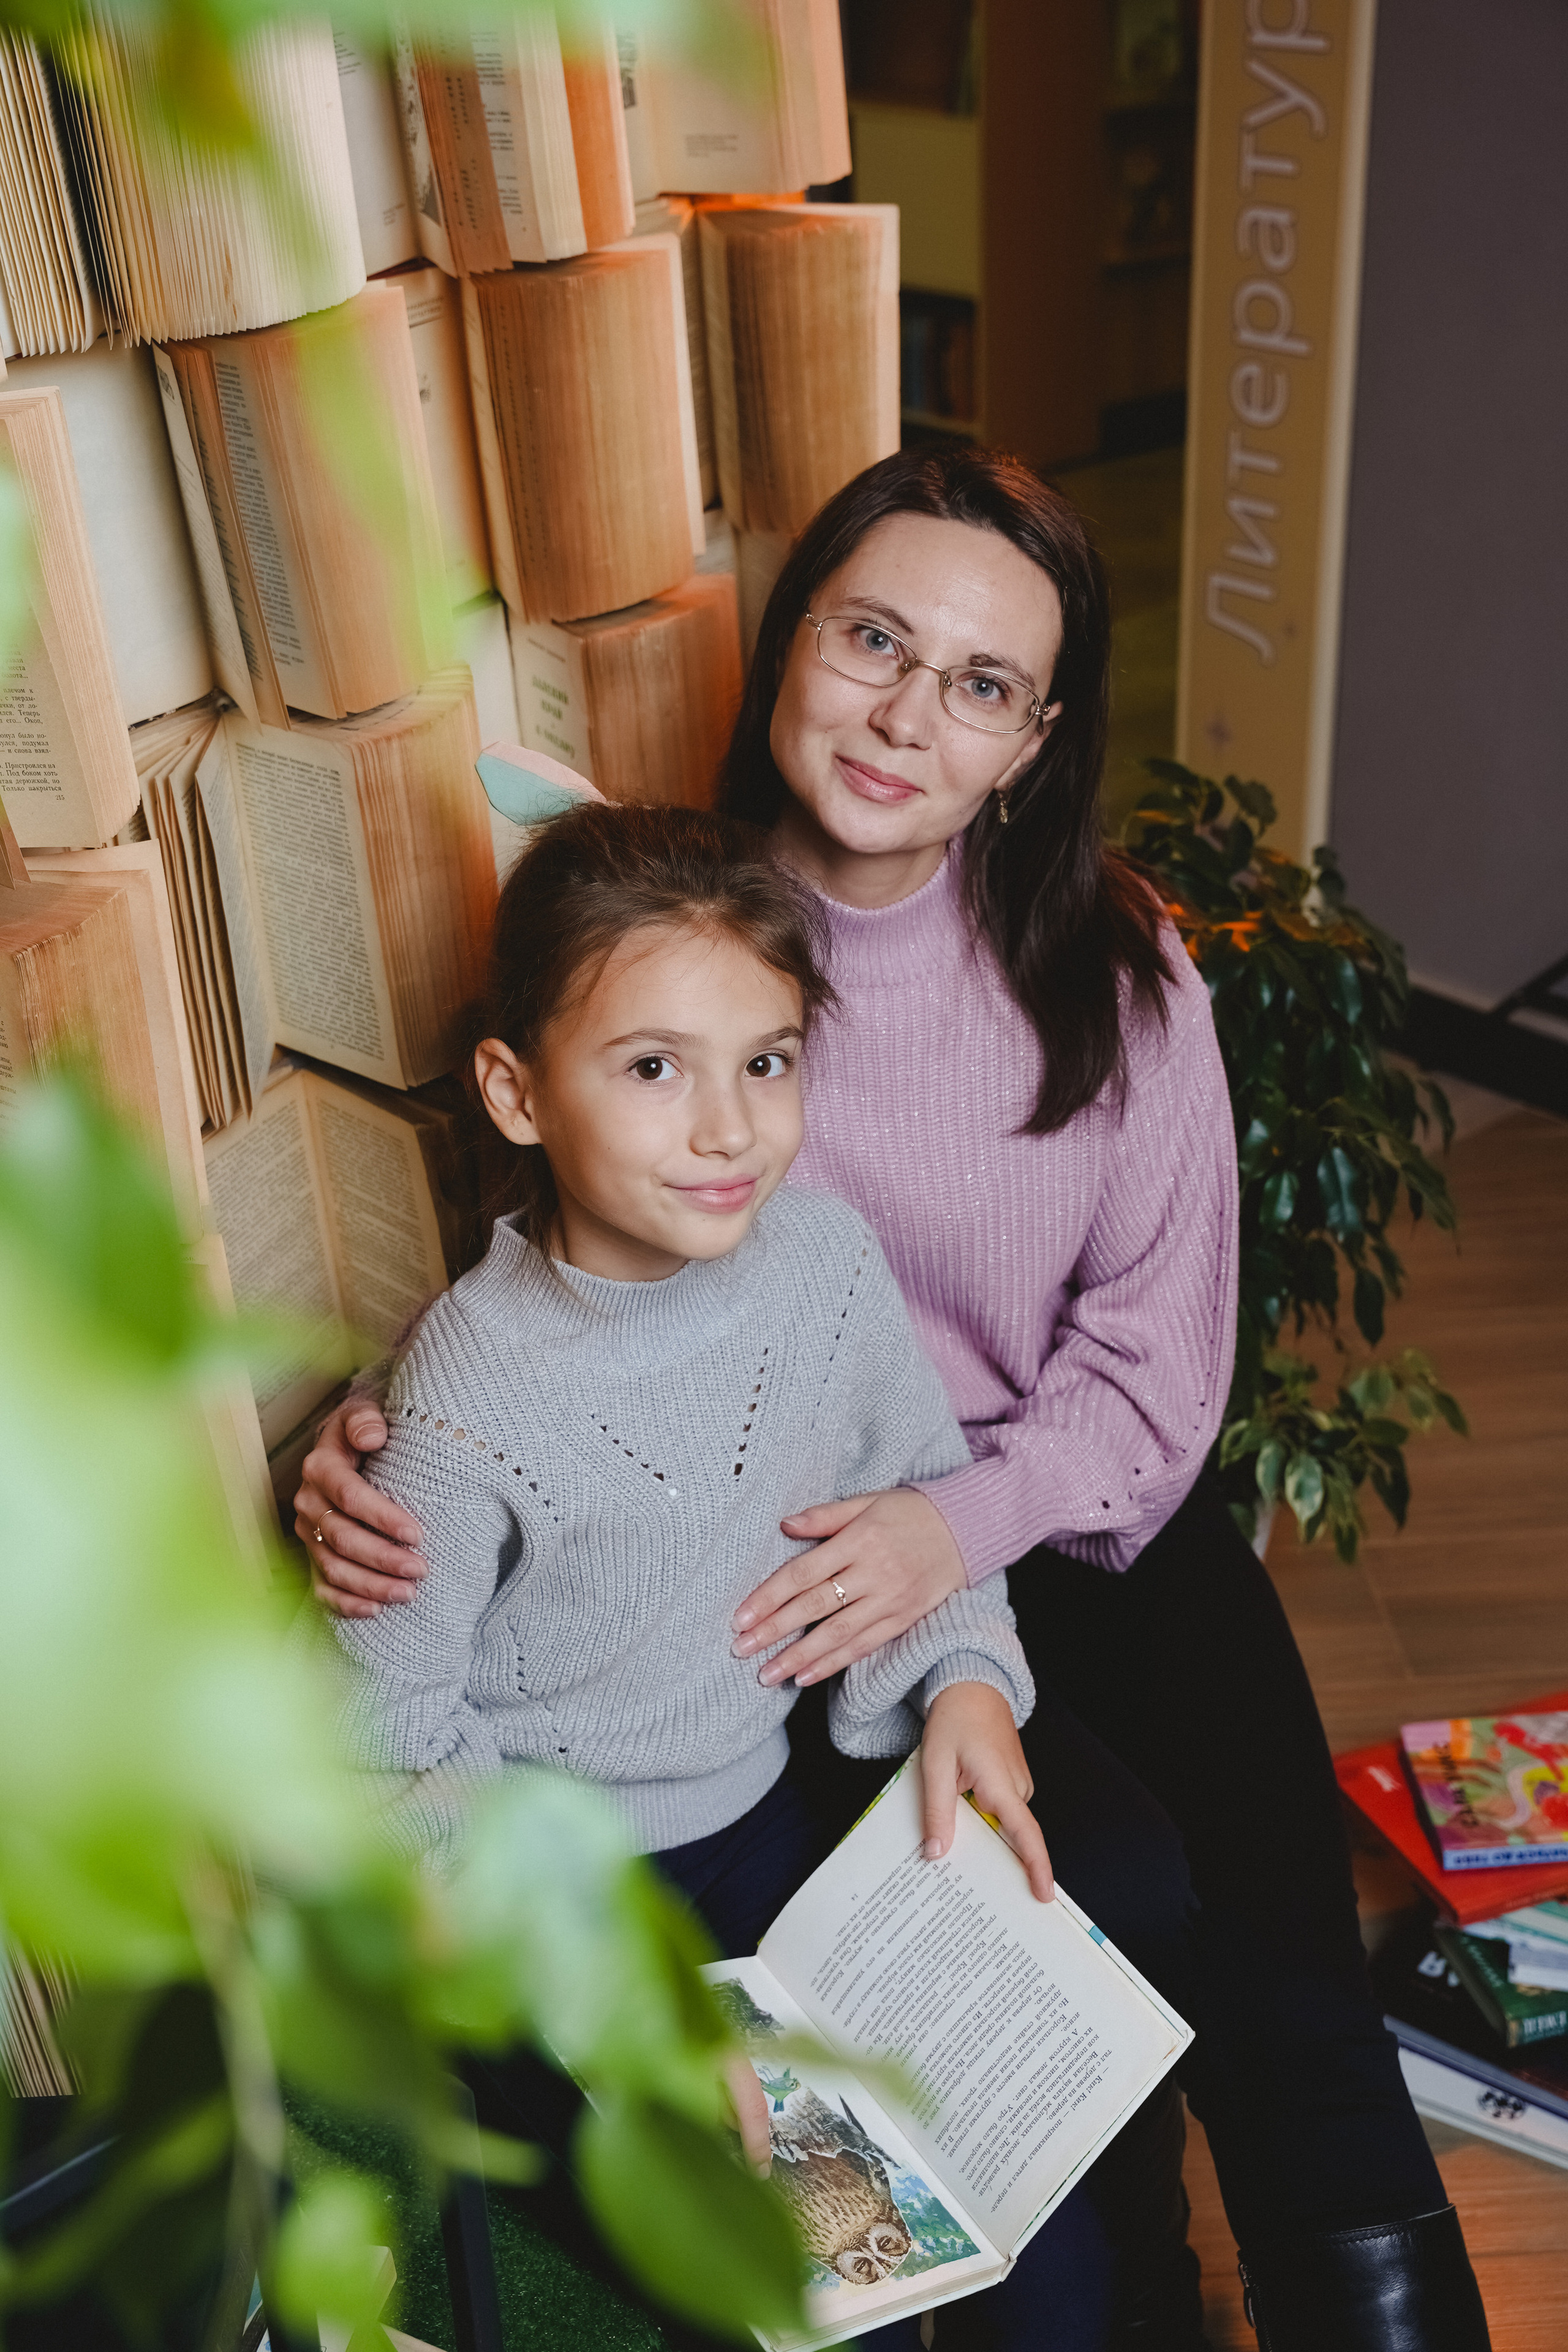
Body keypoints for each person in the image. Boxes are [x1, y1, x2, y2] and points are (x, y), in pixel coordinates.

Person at [297, 449, 1490, 2352]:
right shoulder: (675, 935)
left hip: (1065, 1511)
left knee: (1283, 1960)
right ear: (793, 643)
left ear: (1032, 741)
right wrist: (365, 1431)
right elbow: (543, 1278)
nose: (907, 715)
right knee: (1083, 1902)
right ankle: (1126, 2304)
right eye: (873, 640)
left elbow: (1155, 1380)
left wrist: (950, 1530)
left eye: (982, 683)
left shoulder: (1120, 972)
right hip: (771, 1554)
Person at [312, 798, 1199, 2352]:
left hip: (766, 1834)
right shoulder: (457, 1403)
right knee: (801, 2274)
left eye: (767, 1062)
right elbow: (388, 1752)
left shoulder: (826, 1265)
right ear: (516, 1093)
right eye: (654, 1069)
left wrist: (964, 1683)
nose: (728, 1128)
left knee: (1029, 2233)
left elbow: (911, 1505)